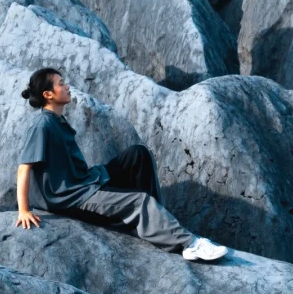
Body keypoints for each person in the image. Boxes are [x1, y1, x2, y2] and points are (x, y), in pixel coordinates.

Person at [14, 67, 228, 262]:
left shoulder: (57, 121)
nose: (67, 86)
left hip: (84, 181)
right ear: (48, 94)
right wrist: (24, 209)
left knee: (137, 155)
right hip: (72, 196)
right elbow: (24, 168)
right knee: (139, 201)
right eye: (61, 83)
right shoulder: (42, 124)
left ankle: (159, 224)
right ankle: (189, 244)